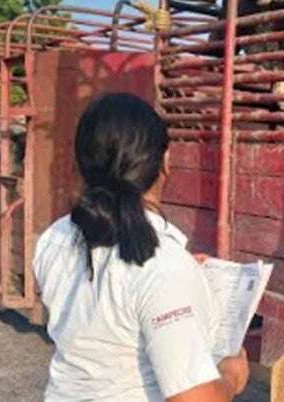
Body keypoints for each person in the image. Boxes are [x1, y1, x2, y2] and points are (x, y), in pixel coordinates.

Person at [33, 93, 249, 401]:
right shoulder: (162, 266)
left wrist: (176, 276)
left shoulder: (54, 237)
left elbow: (99, 306)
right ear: (165, 161)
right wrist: (231, 377)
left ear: (82, 161)